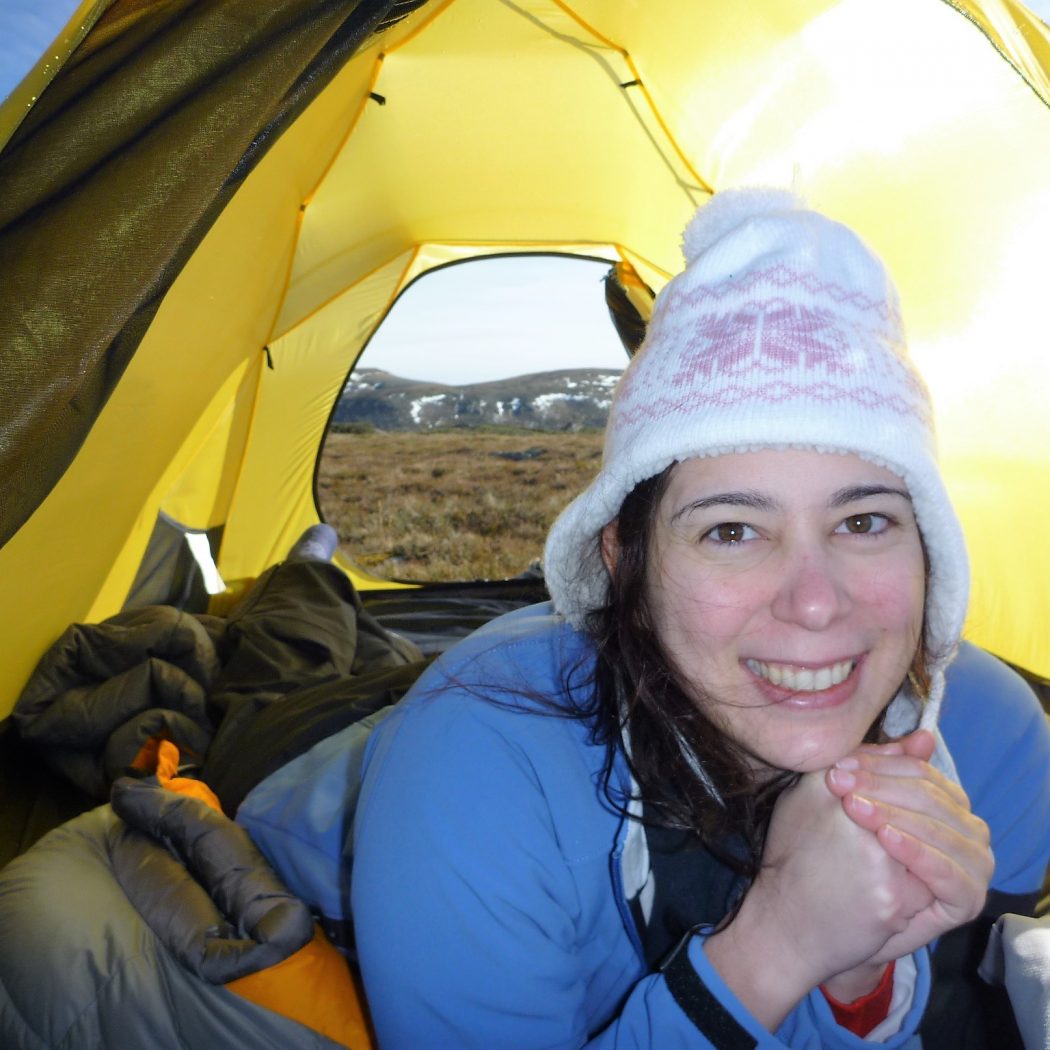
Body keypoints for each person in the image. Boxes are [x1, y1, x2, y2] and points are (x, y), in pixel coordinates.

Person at [350, 188, 1050, 1048]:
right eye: (732, 530)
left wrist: (856, 979)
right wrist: (776, 943)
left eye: (863, 521)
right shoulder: (477, 760)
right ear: (624, 562)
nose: (816, 601)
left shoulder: (994, 740)